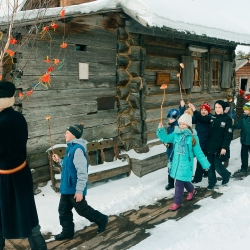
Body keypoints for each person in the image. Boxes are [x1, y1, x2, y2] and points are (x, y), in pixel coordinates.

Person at [0, 81, 47, 250]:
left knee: (10, 214)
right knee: (27, 215)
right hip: (20, 174)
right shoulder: (18, 117)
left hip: (8, 178)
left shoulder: (3, 123)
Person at [52, 124, 108, 240]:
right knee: (63, 210)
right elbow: (68, 167)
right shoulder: (71, 147)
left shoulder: (77, 149)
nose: (65, 134)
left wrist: (79, 191)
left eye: (67, 133)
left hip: (74, 188)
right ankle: (67, 232)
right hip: (67, 187)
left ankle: (102, 219)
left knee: (83, 210)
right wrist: (59, 160)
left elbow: (82, 172)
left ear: (74, 135)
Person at [156, 109, 210, 211]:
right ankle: (192, 190)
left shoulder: (193, 138)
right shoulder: (176, 134)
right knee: (184, 180)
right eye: (180, 123)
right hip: (176, 163)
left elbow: (199, 153)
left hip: (186, 164)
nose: (181, 126)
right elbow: (166, 139)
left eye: (183, 124)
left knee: (179, 183)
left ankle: (177, 202)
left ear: (189, 125)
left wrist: (205, 164)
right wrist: (161, 130)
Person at [189, 100, 233, 190]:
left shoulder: (227, 119)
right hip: (210, 146)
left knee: (217, 166)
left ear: (223, 108)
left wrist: (224, 147)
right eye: (216, 107)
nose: (217, 109)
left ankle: (226, 174)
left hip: (219, 147)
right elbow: (201, 118)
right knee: (210, 166)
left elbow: (228, 135)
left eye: (219, 107)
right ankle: (212, 182)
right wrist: (194, 109)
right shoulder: (212, 118)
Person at [180, 100, 212, 183]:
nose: (203, 111)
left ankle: (198, 178)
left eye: (205, 110)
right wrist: (183, 108)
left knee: (203, 160)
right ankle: (204, 173)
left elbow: (202, 119)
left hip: (207, 143)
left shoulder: (210, 118)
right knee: (200, 160)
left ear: (208, 111)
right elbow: (186, 120)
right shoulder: (198, 118)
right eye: (202, 110)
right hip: (198, 143)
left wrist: (194, 110)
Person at [164, 108, 179, 190]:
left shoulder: (177, 127)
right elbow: (166, 138)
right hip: (170, 150)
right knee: (170, 166)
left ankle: (180, 182)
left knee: (177, 166)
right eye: (169, 118)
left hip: (176, 150)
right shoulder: (169, 128)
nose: (170, 120)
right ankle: (171, 183)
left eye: (172, 118)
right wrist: (165, 143)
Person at [233, 101, 250, 173]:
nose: (244, 111)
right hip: (244, 139)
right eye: (244, 109)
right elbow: (239, 125)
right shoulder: (243, 117)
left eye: (246, 109)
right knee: (244, 155)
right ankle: (244, 168)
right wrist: (232, 124)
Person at [223, 99, 236, 167]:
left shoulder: (231, 114)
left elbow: (231, 122)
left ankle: (226, 159)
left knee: (226, 146)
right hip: (222, 133)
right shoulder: (223, 113)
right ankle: (222, 158)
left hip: (228, 133)